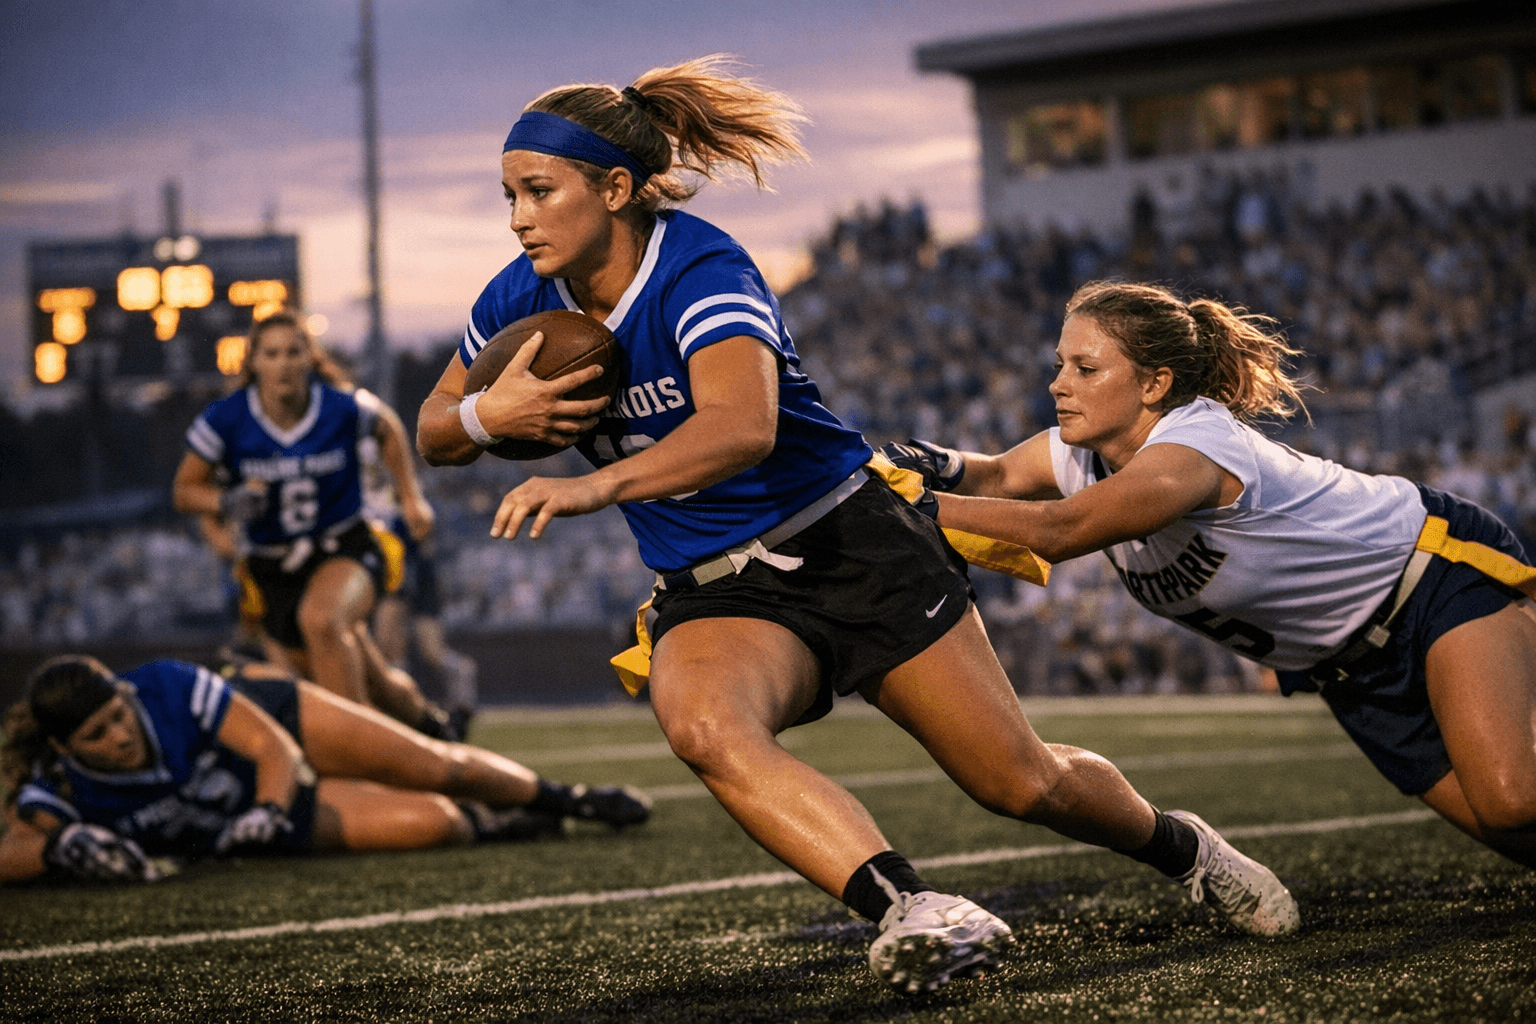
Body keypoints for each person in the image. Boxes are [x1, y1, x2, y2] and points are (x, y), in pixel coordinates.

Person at [414, 56, 1299, 994]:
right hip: (718, 582)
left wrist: (594, 487)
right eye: (509, 194)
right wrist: (484, 420)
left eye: (538, 191)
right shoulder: (518, 295)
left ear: (617, 188)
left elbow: (742, 427)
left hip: (847, 537)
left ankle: (1183, 850)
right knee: (705, 726)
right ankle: (914, 910)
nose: (517, 218)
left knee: (1018, 783)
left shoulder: (698, 261)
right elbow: (435, 426)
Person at [897, 280, 1536, 869]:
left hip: (1426, 578)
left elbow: (1059, 531)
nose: (1059, 384)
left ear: (1154, 385)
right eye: (1061, 365)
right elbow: (1001, 476)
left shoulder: (1193, 450)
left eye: (1085, 369)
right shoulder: (1080, 451)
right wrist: (921, 462)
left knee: (1510, 800)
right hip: (1346, 666)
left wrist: (909, 501)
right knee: (1516, 835)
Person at [0, 655, 652, 885]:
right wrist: (61, 845)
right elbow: (12, 849)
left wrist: (269, 811)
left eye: (116, 715)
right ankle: (496, 823)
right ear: (62, 748)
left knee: (433, 764)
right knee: (435, 824)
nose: (118, 736)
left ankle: (567, 799)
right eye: (95, 734)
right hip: (239, 818)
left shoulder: (164, 688)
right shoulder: (55, 786)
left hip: (273, 749)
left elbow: (273, 750)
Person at [171, 312, 446, 734]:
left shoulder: (339, 405)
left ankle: (364, 757)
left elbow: (387, 426)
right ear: (254, 363)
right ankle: (433, 728)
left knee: (322, 620)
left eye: (293, 352)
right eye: (272, 353)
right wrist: (226, 501)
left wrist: (410, 496)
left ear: (309, 358)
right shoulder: (226, 419)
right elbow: (185, 490)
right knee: (372, 679)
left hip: (344, 546)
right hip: (273, 569)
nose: (283, 363)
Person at [359, 434, 479, 738]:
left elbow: (416, 531)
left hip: (401, 568)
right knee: (425, 649)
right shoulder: (382, 489)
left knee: (395, 648)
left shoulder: (394, 491)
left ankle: (407, 722)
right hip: (406, 568)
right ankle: (453, 698)